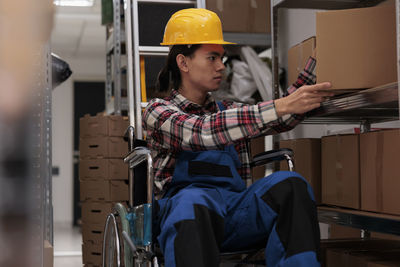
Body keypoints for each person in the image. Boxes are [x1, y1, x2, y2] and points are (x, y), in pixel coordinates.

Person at [143, 8, 332, 267]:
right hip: (186, 219)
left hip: (235, 214)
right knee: (192, 200)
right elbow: (201, 132)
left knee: (291, 184)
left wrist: (320, 59)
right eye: (211, 58)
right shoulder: (158, 111)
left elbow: (284, 116)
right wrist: (282, 105)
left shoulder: (229, 111)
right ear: (183, 63)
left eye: (222, 58)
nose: (222, 66)